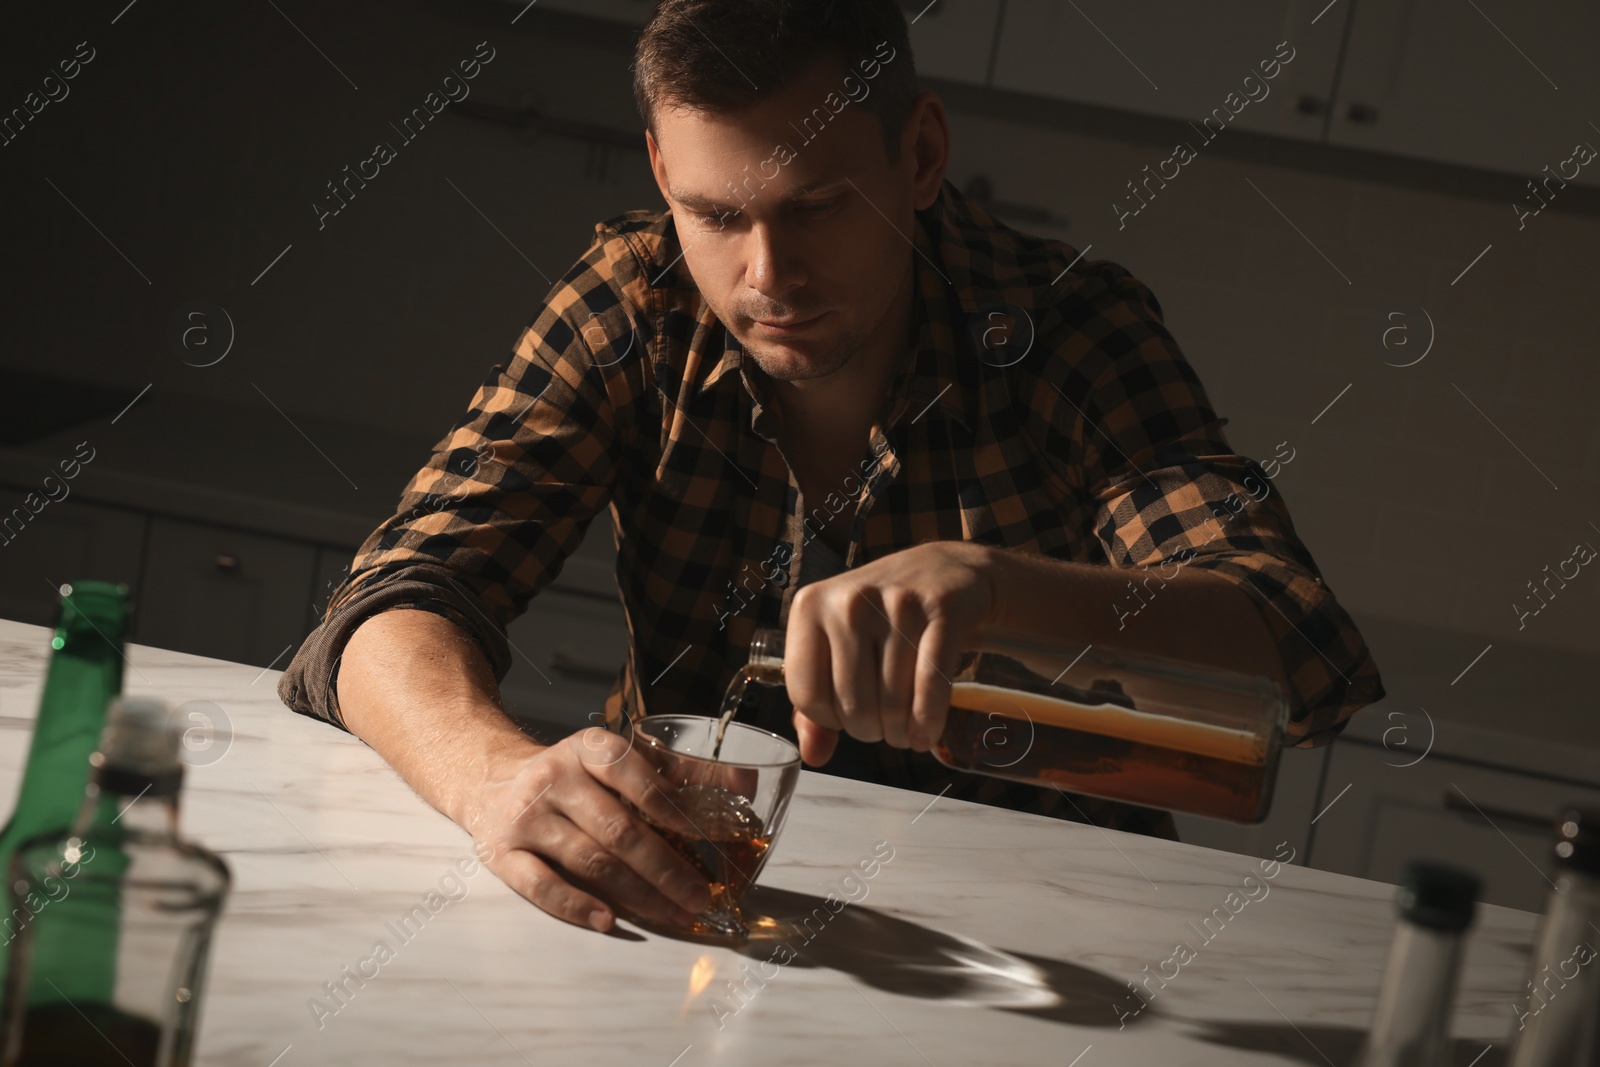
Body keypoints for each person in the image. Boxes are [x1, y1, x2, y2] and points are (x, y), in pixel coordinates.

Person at [279, 0, 1383, 935]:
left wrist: (996, 585)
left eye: (815, 207)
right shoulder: (635, 302)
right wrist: (488, 776)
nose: (768, 276)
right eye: (715, 214)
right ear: (662, 169)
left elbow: (1297, 647)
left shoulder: (1064, 329)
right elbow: (395, 596)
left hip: (1045, 919)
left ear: (920, 157)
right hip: (702, 896)